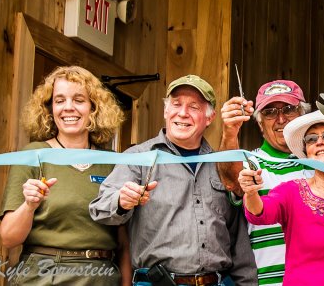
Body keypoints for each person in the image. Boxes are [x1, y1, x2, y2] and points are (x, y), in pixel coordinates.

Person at [89, 74, 256, 285]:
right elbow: (100, 209)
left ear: (210, 117)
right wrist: (121, 202)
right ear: (166, 111)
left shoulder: (220, 164)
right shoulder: (139, 157)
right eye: (176, 104)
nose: (183, 113)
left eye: (194, 107)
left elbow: (237, 237)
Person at [0, 65, 128, 285]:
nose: (68, 108)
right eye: (59, 100)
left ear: (94, 108)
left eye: (79, 100)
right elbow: (9, 238)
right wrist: (29, 206)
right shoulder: (33, 155)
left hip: (101, 276)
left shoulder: (114, 162)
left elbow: (125, 242)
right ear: (49, 109)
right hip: (44, 274)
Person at [238, 111, 324, 285]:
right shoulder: (291, 191)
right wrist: (251, 192)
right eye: (311, 139)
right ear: (306, 152)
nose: (319, 141)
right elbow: (261, 212)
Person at [217, 80, 314, 285]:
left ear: (303, 117)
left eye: (289, 109)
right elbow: (231, 180)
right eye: (269, 112)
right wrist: (230, 132)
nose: (280, 119)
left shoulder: (321, 163)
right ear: (260, 124)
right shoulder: (251, 162)